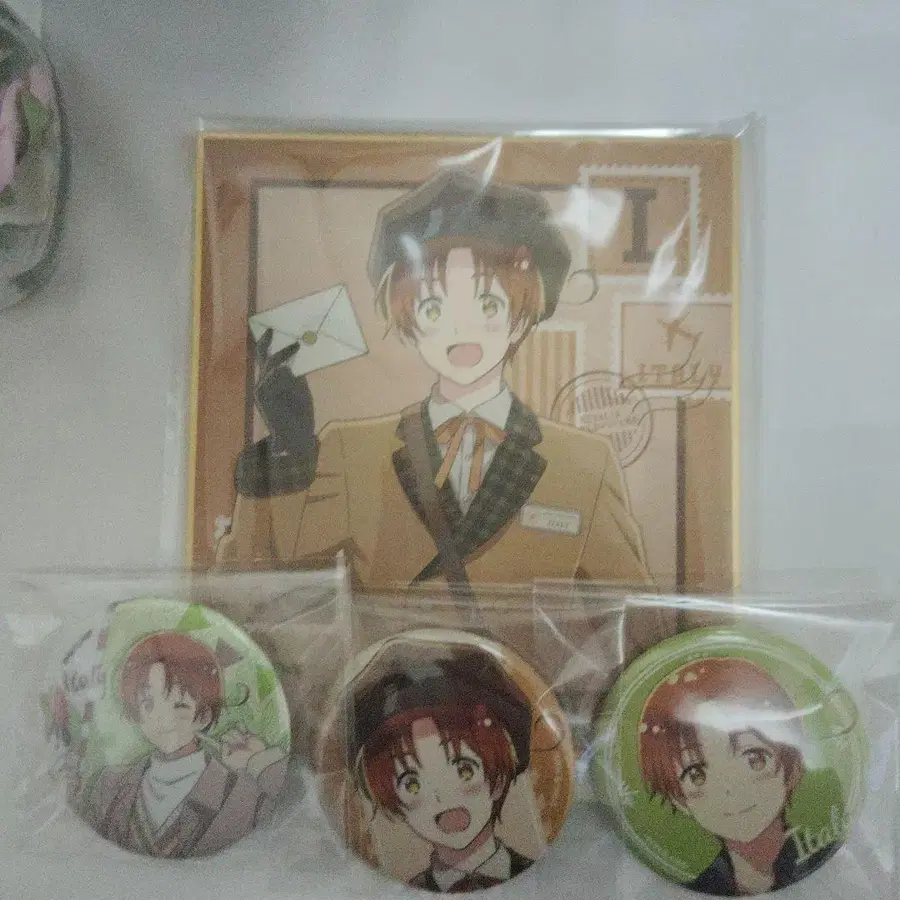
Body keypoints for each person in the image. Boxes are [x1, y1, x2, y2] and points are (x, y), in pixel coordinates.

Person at [215, 167, 653, 593]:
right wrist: (286, 454)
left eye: (487, 305)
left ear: (522, 317)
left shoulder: (584, 464)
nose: (460, 330)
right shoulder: (351, 451)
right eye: (434, 310)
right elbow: (253, 583)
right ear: (408, 326)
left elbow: (637, 612)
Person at [638, 657, 841, 895]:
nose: (730, 789)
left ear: (793, 766)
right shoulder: (696, 882)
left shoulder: (823, 856)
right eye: (697, 775)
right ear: (679, 800)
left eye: (754, 760)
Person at [346, 644, 537, 892]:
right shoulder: (390, 887)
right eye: (412, 784)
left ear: (499, 780)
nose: (441, 795)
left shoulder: (543, 872)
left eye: (465, 770)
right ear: (394, 805)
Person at [78, 631, 287, 858]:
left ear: (204, 716)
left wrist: (259, 761)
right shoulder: (109, 788)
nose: (162, 719)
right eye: (148, 704)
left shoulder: (238, 794)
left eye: (179, 705)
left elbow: (281, 821)